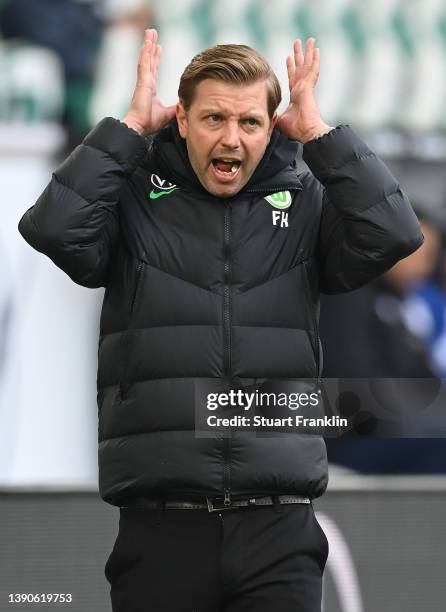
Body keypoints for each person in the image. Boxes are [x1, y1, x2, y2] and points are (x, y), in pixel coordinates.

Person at [18, 28, 423, 612]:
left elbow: (395, 233)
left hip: (278, 526)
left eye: (250, 123)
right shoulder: (132, 194)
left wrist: (320, 137)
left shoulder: (307, 198)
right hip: (161, 525)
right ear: (180, 120)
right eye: (213, 119)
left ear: (271, 127)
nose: (231, 137)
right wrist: (127, 131)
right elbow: (51, 228)